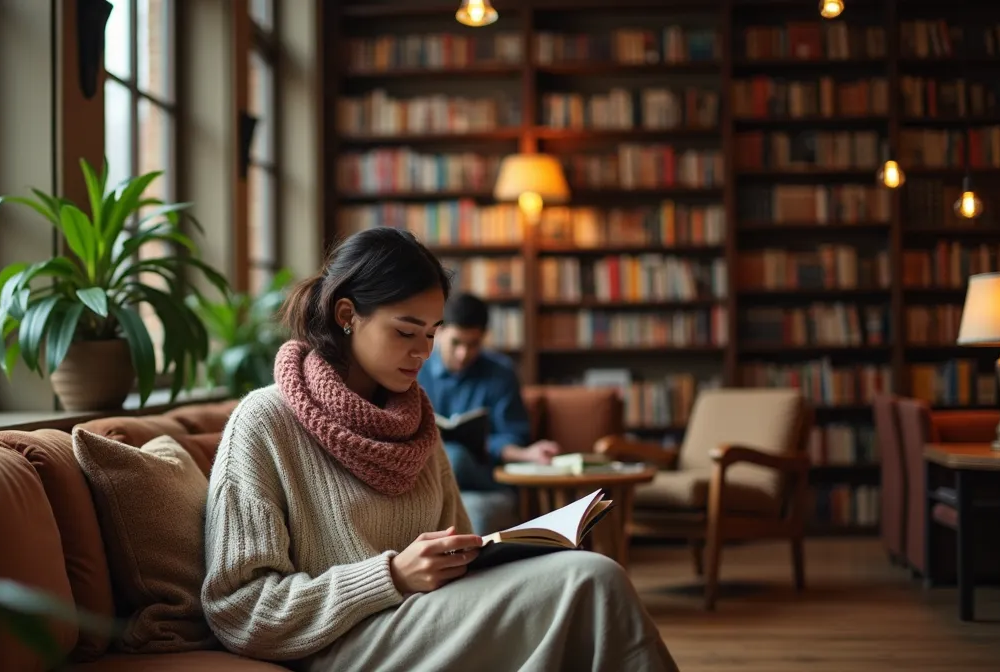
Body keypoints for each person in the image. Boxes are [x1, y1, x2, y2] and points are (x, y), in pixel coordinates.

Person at [200, 226, 678, 671]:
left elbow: (458, 550)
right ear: (347, 315)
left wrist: (499, 554)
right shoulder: (264, 421)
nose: (423, 352)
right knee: (591, 582)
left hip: (425, 616)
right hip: (341, 639)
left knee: (589, 577)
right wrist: (390, 577)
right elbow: (240, 610)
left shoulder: (416, 424)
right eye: (406, 332)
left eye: (431, 333)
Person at [419, 292, 561, 534]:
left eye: (473, 344)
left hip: (484, 474)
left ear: (483, 338)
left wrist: (525, 453)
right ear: (439, 332)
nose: (463, 354)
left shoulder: (500, 373)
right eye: (456, 343)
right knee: (445, 456)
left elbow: (510, 434)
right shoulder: (416, 369)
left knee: (455, 457)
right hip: (425, 471)